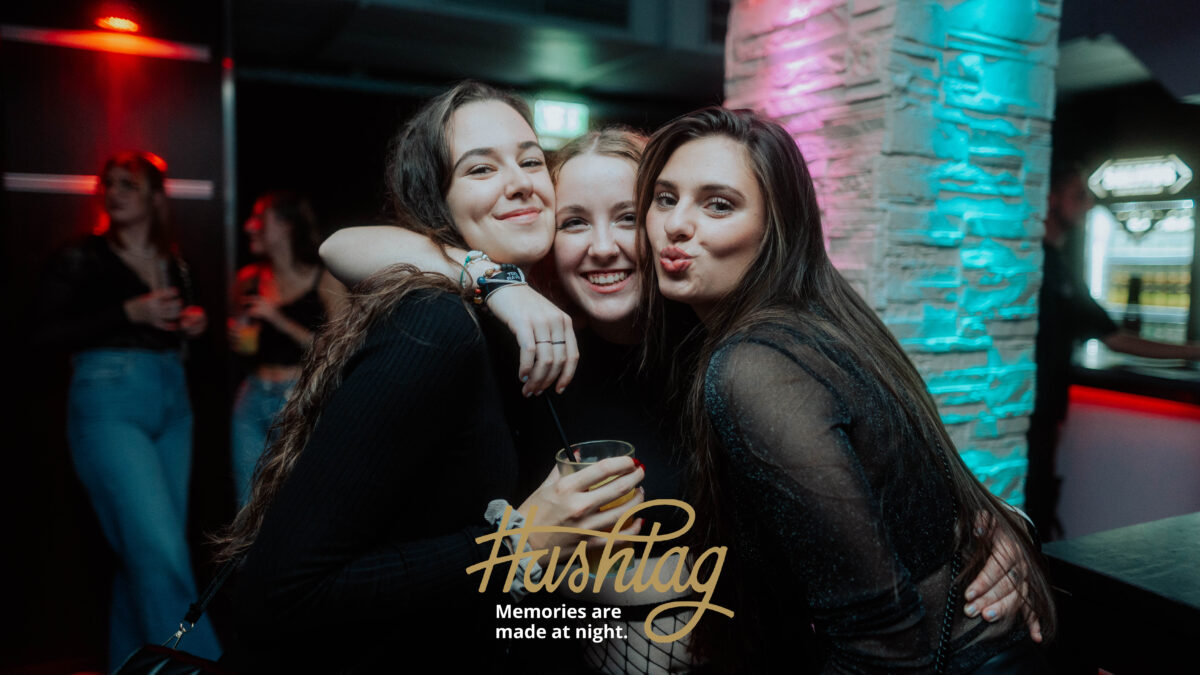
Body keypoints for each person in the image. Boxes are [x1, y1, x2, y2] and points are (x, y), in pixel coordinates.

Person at [322, 125, 1044, 673]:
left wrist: (998, 524)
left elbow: (885, 481)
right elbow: (344, 247)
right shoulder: (532, 357)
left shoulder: (732, 354)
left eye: (628, 215)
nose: (603, 247)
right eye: (574, 222)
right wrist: (496, 285)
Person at [214, 81, 645, 674]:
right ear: (437, 203)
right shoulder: (438, 325)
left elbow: (504, 609)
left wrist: (615, 626)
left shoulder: (523, 331)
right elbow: (276, 593)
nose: (519, 181)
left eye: (529, 160)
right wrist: (519, 540)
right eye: (480, 168)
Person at [637, 107, 1055, 673]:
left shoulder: (755, 365)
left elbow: (883, 642)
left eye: (718, 204)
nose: (676, 224)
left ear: (776, 227)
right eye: (665, 198)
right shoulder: (821, 321)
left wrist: (1007, 524)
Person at [34, 151, 221, 667]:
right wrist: (126, 312)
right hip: (109, 395)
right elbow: (39, 335)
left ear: (155, 198)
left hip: (174, 399)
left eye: (128, 185)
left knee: (141, 555)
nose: (113, 193)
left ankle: (130, 666)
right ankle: (201, 665)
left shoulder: (176, 263)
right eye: (109, 184)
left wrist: (198, 328)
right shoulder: (83, 256)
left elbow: (201, 354)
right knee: (159, 550)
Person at [1027, 163, 1200, 540]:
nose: (1089, 205)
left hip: (1042, 410)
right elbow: (1115, 338)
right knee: (1024, 509)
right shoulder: (1033, 263)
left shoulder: (1058, 267)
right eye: (1079, 195)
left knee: (1033, 506)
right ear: (1051, 198)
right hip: (1024, 411)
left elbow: (1112, 335)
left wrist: (1191, 350)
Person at [228, 191, 345, 505]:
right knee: (249, 505)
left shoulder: (325, 279)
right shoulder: (248, 280)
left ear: (285, 226)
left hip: (300, 398)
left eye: (259, 219)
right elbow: (240, 338)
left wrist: (277, 319)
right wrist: (238, 336)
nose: (249, 227)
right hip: (252, 397)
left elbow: (341, 349)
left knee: (301, 502)